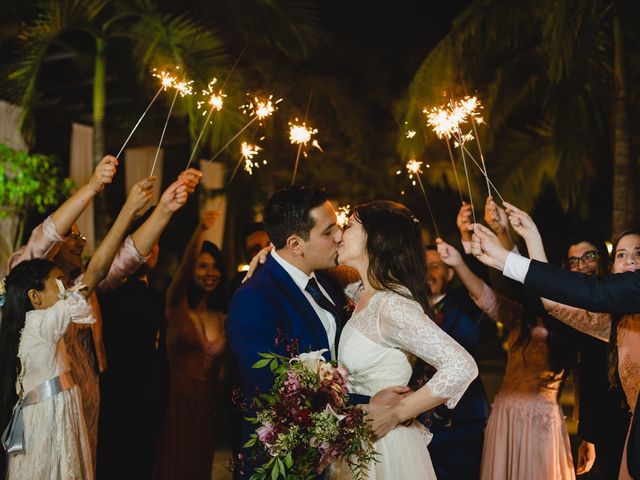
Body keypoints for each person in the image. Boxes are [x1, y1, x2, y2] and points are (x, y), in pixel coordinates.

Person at [6, 157, 202, 465]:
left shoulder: (77, 290)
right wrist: (95, 188)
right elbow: (49, 239)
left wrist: (165, 209)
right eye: (72, 235)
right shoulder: (31, 286)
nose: (80, 242)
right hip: (46, 415)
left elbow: (127, 256)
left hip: (87, 404)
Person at [226, 187, 408, 479]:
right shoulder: (255, 299)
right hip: (285, 464)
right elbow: (281, 392)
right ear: (296, 243)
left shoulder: (328, 279)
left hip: (336, 456)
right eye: (328, 231)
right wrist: (368, 403)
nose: (339, 236)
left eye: (338, 225)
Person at [469, 204, 640, 479]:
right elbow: (554, 301)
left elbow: (588, 292)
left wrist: (504, 258)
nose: (630, 261)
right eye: (622, 254)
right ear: (613, 264)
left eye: (638, 253)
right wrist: (532, 237)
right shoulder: (614, 321)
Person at [330, 200, 477, 480]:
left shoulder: (392, 305)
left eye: (348, 226)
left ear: (377, 238)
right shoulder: (362, 293)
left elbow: (461, 365)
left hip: (385, 445)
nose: (339, 233)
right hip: (359, 441)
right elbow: (320, 267)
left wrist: (397, 412)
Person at [436, 238, 576, 480]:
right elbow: (485, 295)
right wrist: (458, 262)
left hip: (540, 418)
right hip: (505, 414)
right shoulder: (520, 315)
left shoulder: (571, 322)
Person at [154, 211, 229, 480]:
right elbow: (184, 269)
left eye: (215, 266)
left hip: (206, 404)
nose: (211, 273)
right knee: (172, 465)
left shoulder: (224, 317)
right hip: (174, 398)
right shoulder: (176, 304)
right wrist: (200, 230)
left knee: (197, 467)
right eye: (203, 266)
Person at [96, 211, 166, 480]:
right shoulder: (109, 291)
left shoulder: (155, 293)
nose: (152, 248)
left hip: (148, 405)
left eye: (156, 241)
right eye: (147, 241)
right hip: (116, 405)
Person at [560, 233, 629, 478]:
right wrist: (586, 436)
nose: (582, 265)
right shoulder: (580, 319)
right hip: (607, 425)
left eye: (588, 256)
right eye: (573, 261)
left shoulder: (620, 305)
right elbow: (587, 379)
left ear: (604, 260)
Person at [422, 244, 489, 480]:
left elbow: (481, 278)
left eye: (435, 266)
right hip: (421, 424)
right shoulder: (410, 309)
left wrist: (467, 241)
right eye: (422, 266)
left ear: (450, 274)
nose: (426, 272)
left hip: (461, 423)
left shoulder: (465, 303)